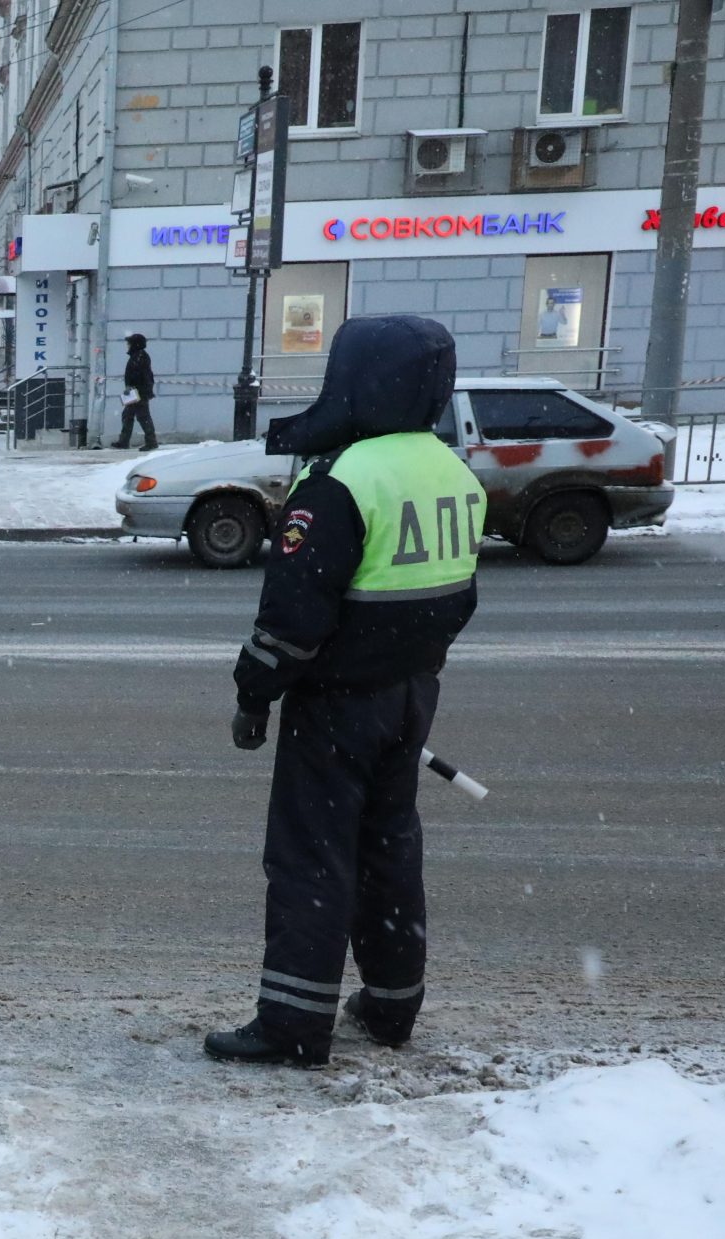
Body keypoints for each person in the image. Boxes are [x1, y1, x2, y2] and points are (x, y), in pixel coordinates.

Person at [206, 314, 481, 1068]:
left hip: (336, 705)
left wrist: (254, 692)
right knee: (389, 848)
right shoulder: (451, 472)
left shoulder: (342, 480)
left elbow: (293, 617)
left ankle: (293, 1025)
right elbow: (459, 598)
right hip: (412, 696)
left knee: (311, 857)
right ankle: (392, 1006)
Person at [114, 332, 157, 450]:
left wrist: (132, 387)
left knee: (143, 417)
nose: (127, 345)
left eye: (129, 343)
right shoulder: (138, 356)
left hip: (138, 392)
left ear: (135, 344)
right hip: (135, 391)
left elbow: (140, 375)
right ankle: (123, 441)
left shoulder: (140, 357)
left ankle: (151, 442)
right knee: (127, 415)